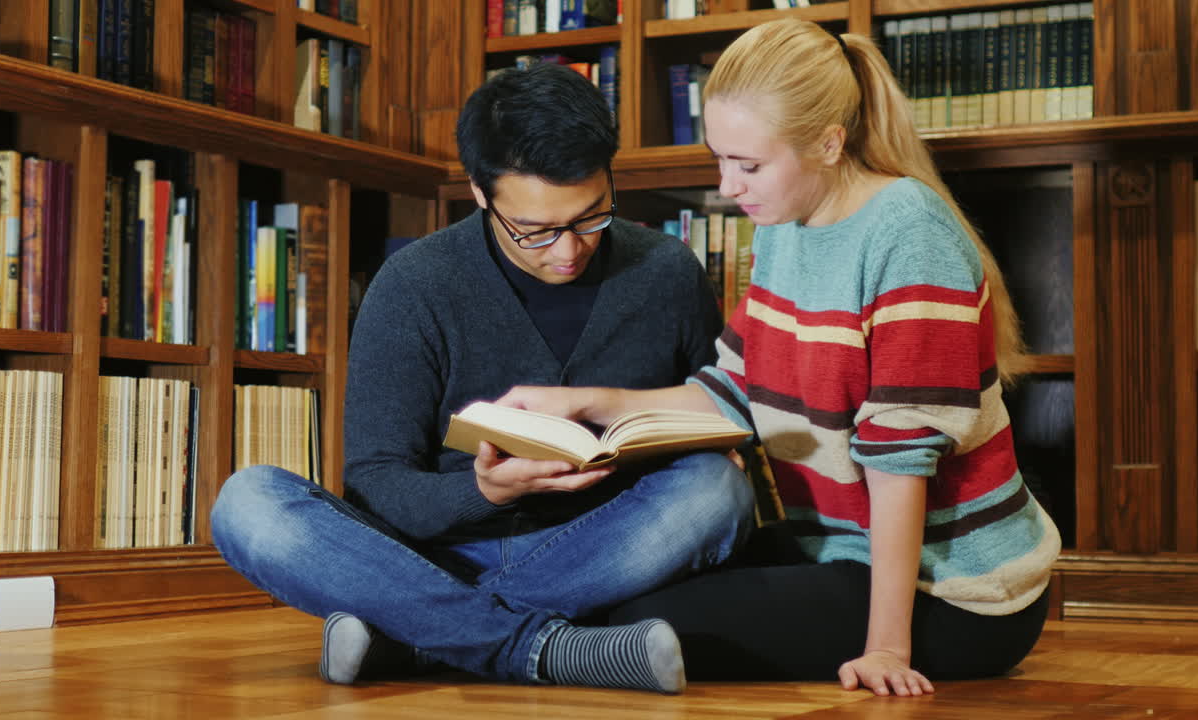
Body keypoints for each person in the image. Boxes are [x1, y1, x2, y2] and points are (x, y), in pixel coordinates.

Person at [494, 19, 1061, 697]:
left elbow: (900, 462)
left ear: (828, 142)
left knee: (643, 620)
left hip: (955, 593)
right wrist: (584, 403)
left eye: (748, 164)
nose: (728, 186)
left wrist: (886, 648)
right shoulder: (784, 226)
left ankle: (446, 636)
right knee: (635, 585)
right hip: (833, 549)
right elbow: (734, 388)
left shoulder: (910, 237)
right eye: (720, 158)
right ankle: (452, 628)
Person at [209, 62, 754, 694]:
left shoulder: (667, 272)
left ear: (610, 176)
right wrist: (486, 491)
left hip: (603, 548)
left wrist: (701, 443)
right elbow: (377, 485)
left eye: (590, 217)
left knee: (718, 492)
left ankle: (413, 639)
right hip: (431, 555)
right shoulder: (416, 284)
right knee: (248, 503)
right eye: (535, 231)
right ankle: (543, 649)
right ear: (479, 191)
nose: (567, 250)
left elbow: (713, 414)